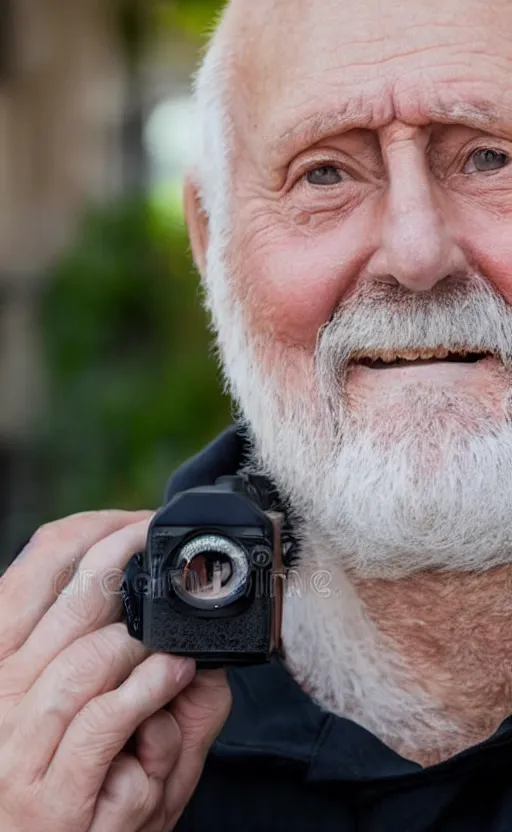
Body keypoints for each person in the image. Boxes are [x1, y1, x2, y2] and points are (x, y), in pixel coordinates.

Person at [2, 0, 512, 827]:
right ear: (212, 241)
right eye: (324, 174)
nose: (418, 255)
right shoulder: (41, 737)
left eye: (489, 157)